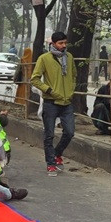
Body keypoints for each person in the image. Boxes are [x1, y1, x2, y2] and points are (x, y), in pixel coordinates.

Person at [30, 32, 78, 176]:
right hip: (51, 102)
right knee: (49, 134)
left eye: (65, 43)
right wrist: (49, 90)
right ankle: (50, 163)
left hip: (67, 102)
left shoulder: (69, 57)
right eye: (60, 43)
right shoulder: (44, 58)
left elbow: (74, 75)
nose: (63, 46)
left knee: (69, 132)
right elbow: (35, 79)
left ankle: (57, 154)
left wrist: (71, 89)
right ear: (53, 44)